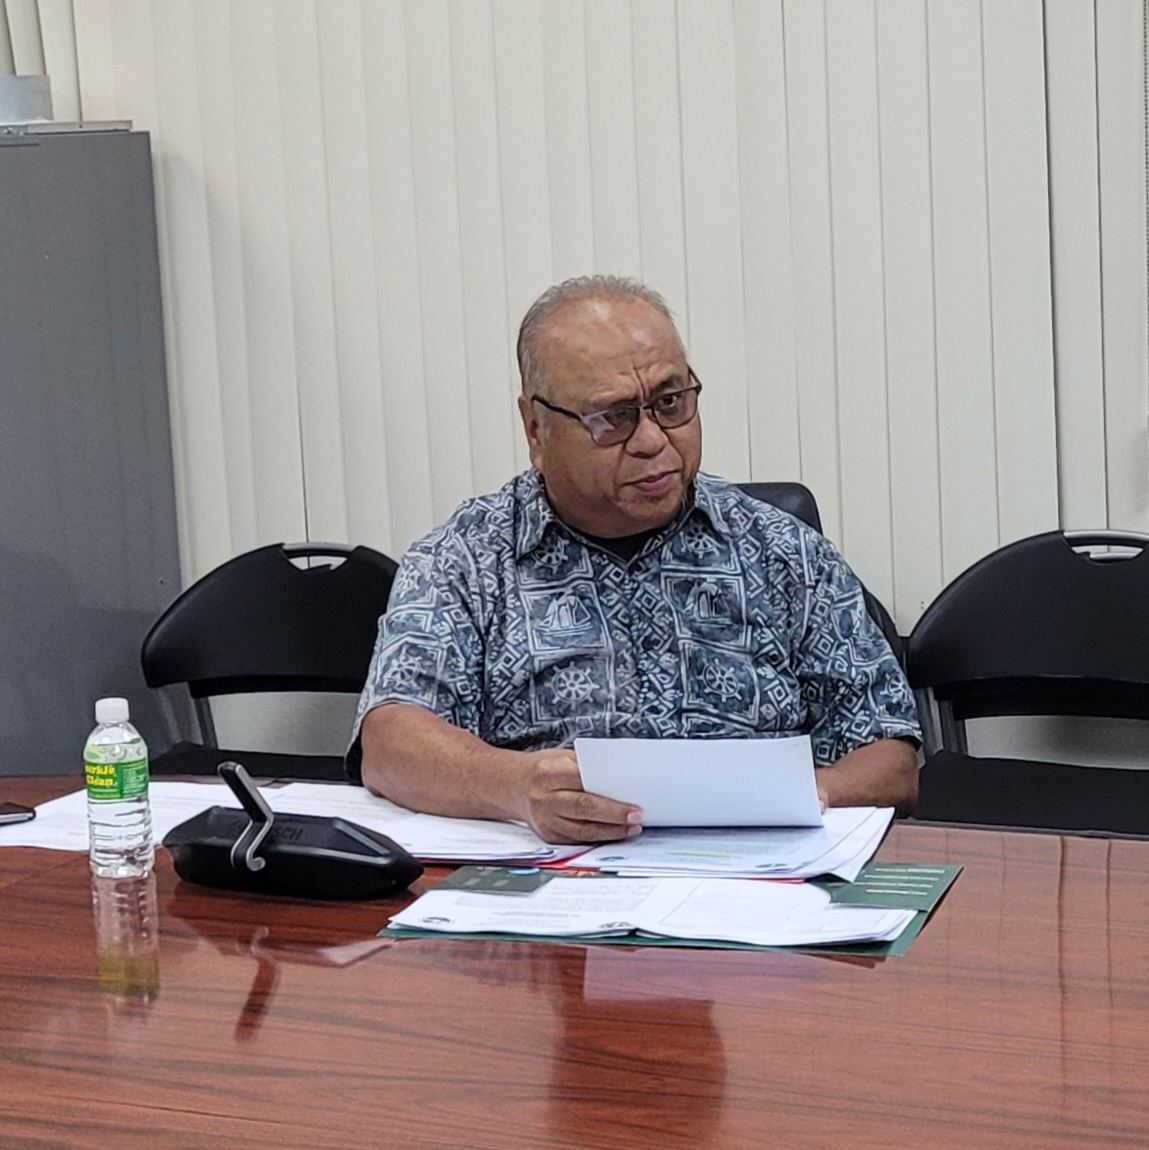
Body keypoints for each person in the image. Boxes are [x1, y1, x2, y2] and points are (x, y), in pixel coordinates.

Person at [347, 275, 920, 843]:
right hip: (547, 894)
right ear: (536, 428)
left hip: (761, 889)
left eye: (670, 403)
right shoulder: (466, 559)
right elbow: (391, 741)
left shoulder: (782, 551)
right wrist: (517, 787)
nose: (651, 440)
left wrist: (808, 794)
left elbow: (889, 751)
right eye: (613, 417)